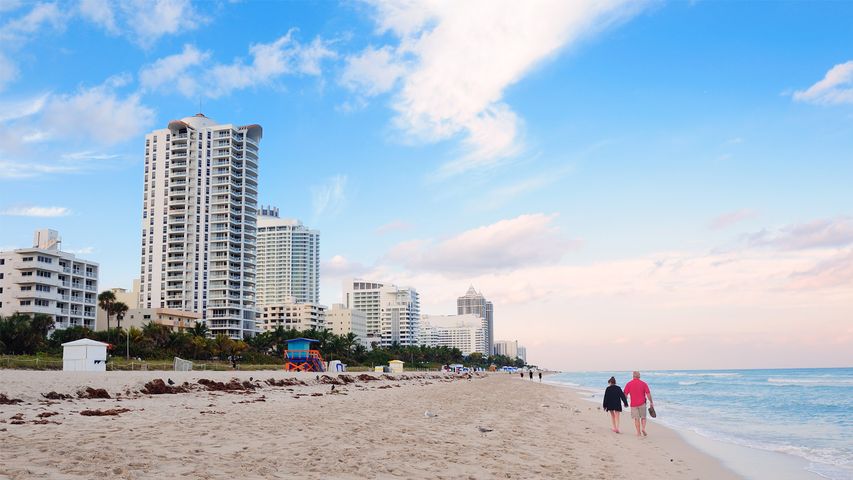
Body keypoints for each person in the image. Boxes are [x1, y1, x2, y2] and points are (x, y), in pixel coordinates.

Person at [623, 371, 654, 437]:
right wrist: (651, 402)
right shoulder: (644, 384)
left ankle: (638, 433)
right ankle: (643, 428)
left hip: (633, 404)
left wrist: (625, 402)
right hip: (642, 403)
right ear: (639, 376)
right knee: (643, 417)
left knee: (636, 419)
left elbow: (625, 394)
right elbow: (648, 394)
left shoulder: (629, 384)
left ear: (633, 376)